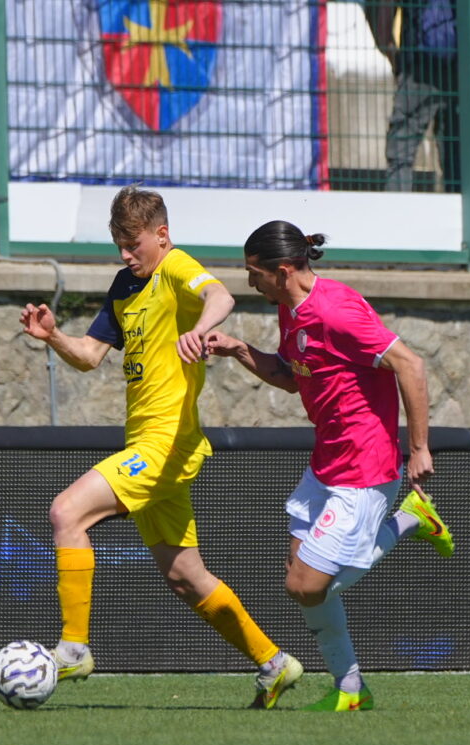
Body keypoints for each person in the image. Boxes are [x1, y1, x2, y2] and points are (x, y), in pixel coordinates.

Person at [19, 187, 303, 709]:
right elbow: (89, 356)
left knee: (66, 512)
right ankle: (274, 663)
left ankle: (74, 647)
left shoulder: (174, 267)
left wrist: (198, 330)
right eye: (119, 245)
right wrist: (54, 337)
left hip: (167, 443)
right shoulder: (125, 285)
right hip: (148, 444)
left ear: (162, 235)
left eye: (134, 244)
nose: (126, 254)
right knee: (185, 577)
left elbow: (221, 297)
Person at [205, 220, 454, 712]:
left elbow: (410, 364)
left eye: (254, 273)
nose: (249, 283)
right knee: (301, 582)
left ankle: (410, 519)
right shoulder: (290, 310)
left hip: (365, 466)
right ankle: (351, 688)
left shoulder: (336, 311)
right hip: (327, 462)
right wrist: (238, 350)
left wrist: (419, 448)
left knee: (306, 585)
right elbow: (291, 376)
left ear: (282, 270)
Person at [364, 0, 470, 192]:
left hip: (417, 68)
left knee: (401, 150)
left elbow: (383, 14)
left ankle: (396, 204)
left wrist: (393, 55)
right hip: (459, 68)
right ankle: (462, 205)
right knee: (458, 154)